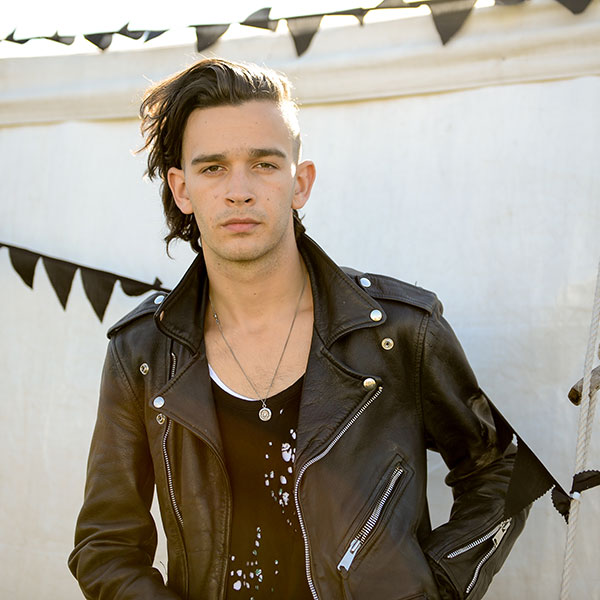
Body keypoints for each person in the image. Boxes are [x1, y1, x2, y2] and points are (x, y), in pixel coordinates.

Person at [69, 58, 530, 600]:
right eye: (213, 168)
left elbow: (500, 469)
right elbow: (106, 545)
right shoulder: (144, 352)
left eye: (264, 164)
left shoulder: (400, 332)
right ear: (181, 189)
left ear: (300, 182)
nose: (239, 191)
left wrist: (435, 588)